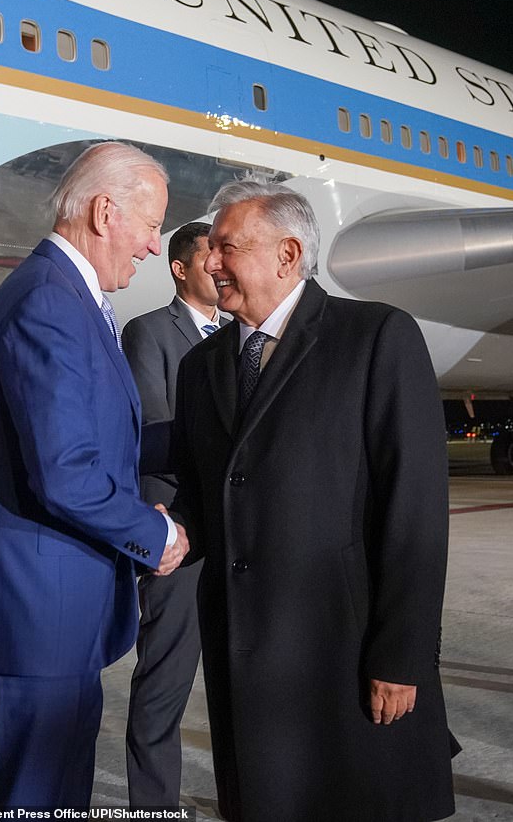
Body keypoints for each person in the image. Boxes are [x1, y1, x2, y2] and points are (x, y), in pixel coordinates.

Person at [0, 141, 189, 809]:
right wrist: (155, 535)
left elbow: (88, 437)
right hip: (36, 608)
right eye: (151, 226)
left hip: (52, 607)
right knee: (31, 799)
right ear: (103, 212)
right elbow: (66, 473)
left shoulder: (69, 295)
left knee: (54, 795)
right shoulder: (50, 302)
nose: (155, 247)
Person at [171, 179, 458, 822]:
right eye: (211, 249)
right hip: (246, 656)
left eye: (226, 247)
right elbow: (203, 484)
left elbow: (413, 512)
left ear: (288, 253)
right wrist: (174, 531)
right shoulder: (203, 366)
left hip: (345, 654)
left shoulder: (376, 337)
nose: (210, 261)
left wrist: (402, 656)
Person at [123, 221, 227, 808]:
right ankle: (154, 806)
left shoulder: (245, 335)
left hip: (238, 536)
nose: (220, 263)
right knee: (163, 684)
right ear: (180, 269)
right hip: (182, 534)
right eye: (208, 254)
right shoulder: (150, 333)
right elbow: (152, 435)